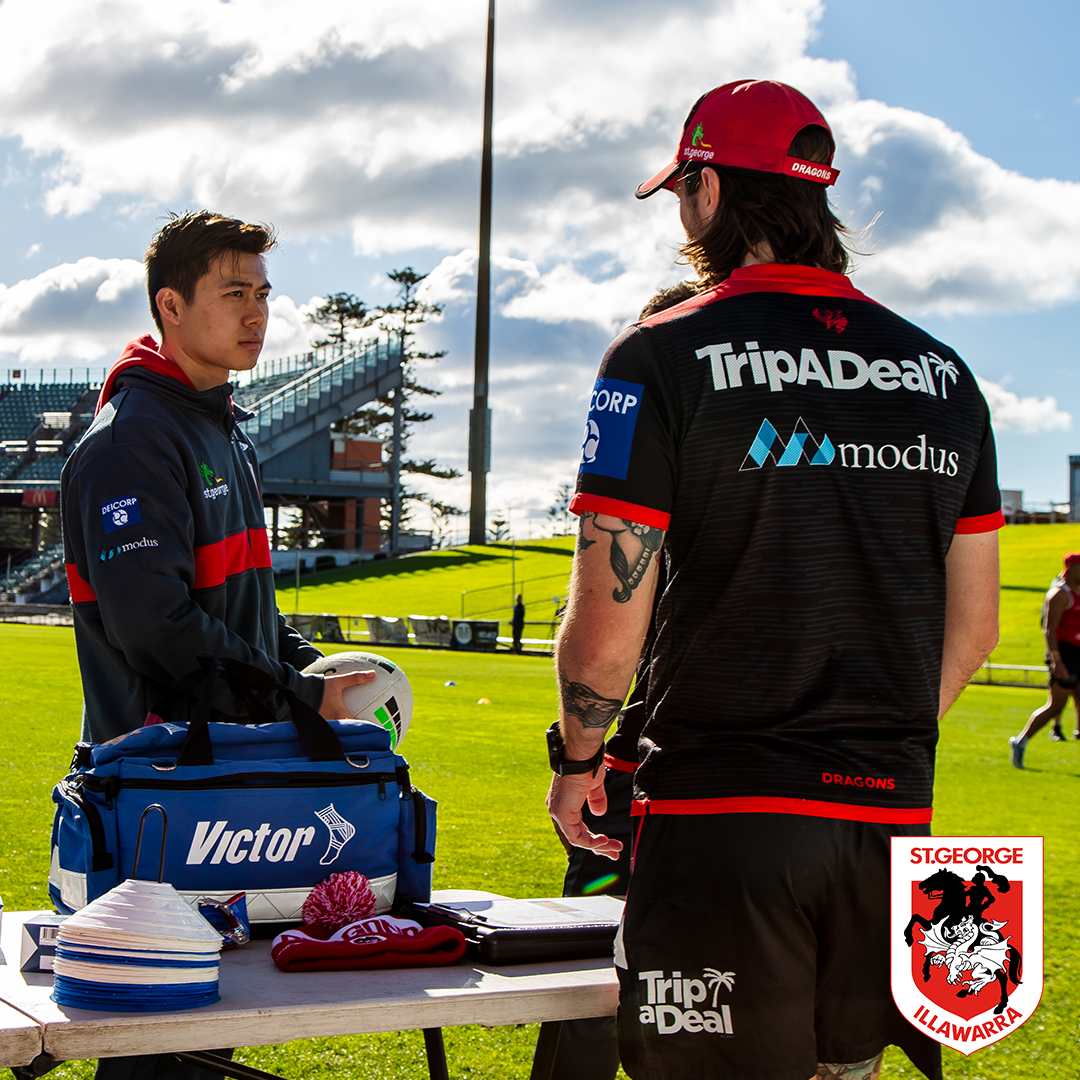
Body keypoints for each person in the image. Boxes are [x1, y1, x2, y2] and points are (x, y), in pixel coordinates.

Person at [545, 80, 1001, 1080]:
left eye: (681, 192)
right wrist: (861, 738)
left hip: (725, 818)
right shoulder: (946, 373)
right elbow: (975, 630)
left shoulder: (660, 353)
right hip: (892, 821)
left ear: (708, 190)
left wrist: (579, 757)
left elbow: (608, 630)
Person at [61, 211, 373, 1080]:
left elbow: (242, 616)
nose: (257, 312)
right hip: (157, 792)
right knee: (161, 1044)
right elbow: (155, 626)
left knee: (210, 1031)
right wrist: (299, 697)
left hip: (224, 782)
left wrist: (309, 665)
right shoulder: (130, 439)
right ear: (170, 305)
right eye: (234, 292)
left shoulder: (221, 427)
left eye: (264, 293)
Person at [1009, 552, 1080, 767]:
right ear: (1071, 568)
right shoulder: (1059, 595)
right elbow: (1049, 629)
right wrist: (1056, 660)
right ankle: (1020, 741)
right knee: (1056, 705)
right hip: (1065, 653)